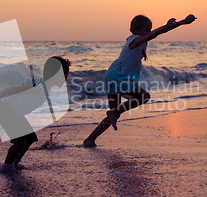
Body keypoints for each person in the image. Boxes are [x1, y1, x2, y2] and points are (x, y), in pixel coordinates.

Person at [83, 14, 196, 147]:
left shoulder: (139, 42)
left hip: (112, 76)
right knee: (144, 96)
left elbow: (156, 33)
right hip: (119, 78)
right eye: (147, 30)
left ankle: (90, 140)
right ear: (137, 31)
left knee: (115, 114)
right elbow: (156, 34)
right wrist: (181, 22)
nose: (149, 33)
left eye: (150, 29)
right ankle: (112, 114)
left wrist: (173, 25)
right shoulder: (135, 40)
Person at [0, 56, 71, 172]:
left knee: (30, 138)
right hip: (6, 109)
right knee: (20, 141)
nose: (66, 78)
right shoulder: (38, 86)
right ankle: (6, 166)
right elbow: (11, 90)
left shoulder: (45, 86)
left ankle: (15, 162)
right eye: (65, 75)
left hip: (15, 112)